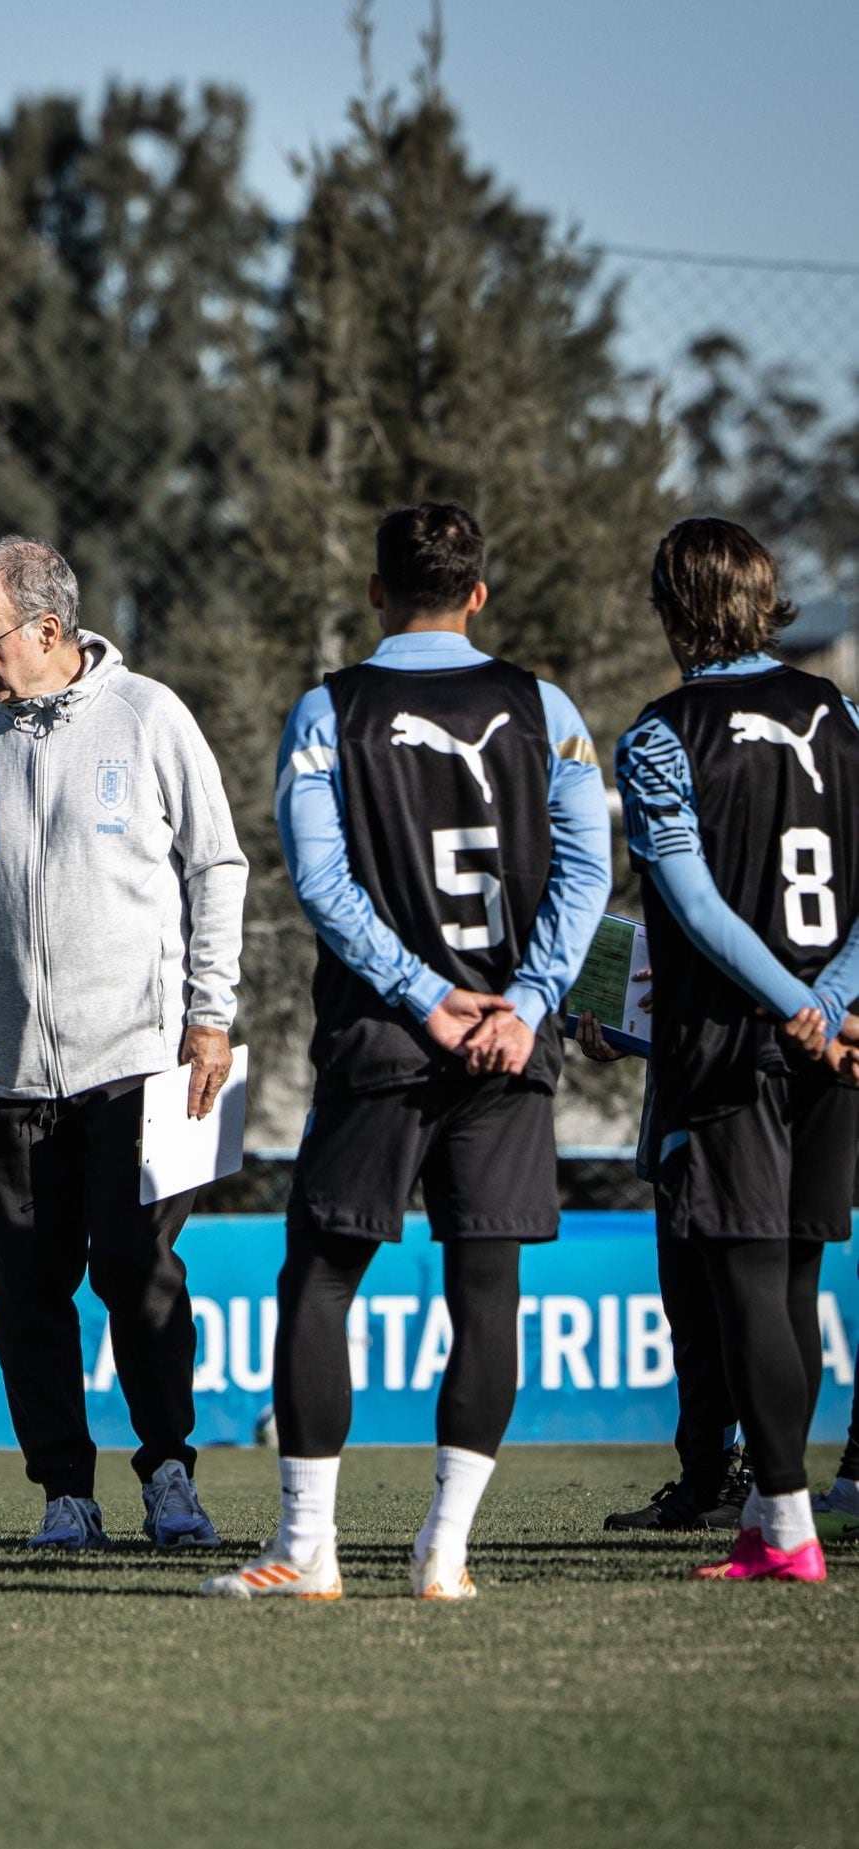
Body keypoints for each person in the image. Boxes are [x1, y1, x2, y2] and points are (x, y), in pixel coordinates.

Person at [203, 501, 611, 1602]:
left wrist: (428, 998)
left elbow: (324, 885)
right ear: (478, 593)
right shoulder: (548, 707)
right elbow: (587, 873)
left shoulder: (329, 710)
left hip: (386, 1038)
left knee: (321, 1282)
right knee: (489, 1292)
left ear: (376, 591)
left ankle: (308, 1548)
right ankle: (444, 1552)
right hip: (509, 1046)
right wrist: (524, 1001)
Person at [0, 536, 247, 1552]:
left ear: (48, 628)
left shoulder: (150, 714)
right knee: (28, 1291)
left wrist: (211, 1014)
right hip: (7, 1072)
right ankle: (63, 1495)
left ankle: (169, 1471)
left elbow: (218, 864)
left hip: (140, 1061)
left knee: (141, 1268)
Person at [616, 515, 859, 1584]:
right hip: (838, 1044)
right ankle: (772, 1515)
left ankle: (787, 1527)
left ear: (676, 608)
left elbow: (698, 906)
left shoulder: (663, 734)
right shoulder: (845, 715)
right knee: (796, 1281)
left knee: (752, 1284)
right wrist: (838, 1002)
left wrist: (796, 1005)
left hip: (731, 1045)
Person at [574, 993, 754, 1531]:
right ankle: (705, 1483)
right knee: (695, 1323)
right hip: (676, 1140)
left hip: (750, 1137)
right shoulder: (680, 921)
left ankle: (766, 1485)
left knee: (752, 1318)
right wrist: (622, 1030)